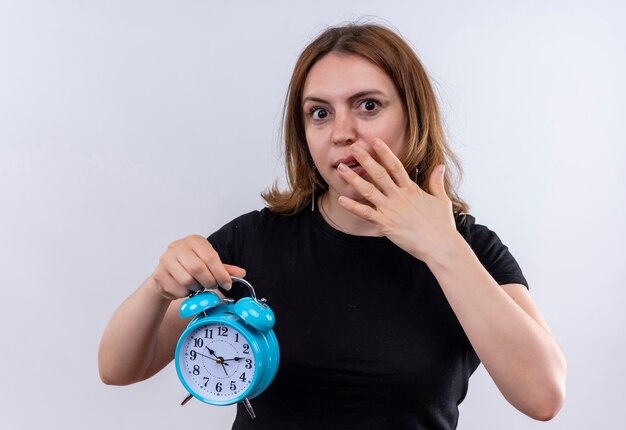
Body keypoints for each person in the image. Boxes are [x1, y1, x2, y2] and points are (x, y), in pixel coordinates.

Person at [99, 23, 566, 429]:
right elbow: (118, 368)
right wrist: (158, 286)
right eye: (319, 113)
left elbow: (543, 397)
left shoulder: (469, 248)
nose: (342, 132)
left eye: (368, 106)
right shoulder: (253, 239)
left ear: (413, 116)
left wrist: (442, 247)